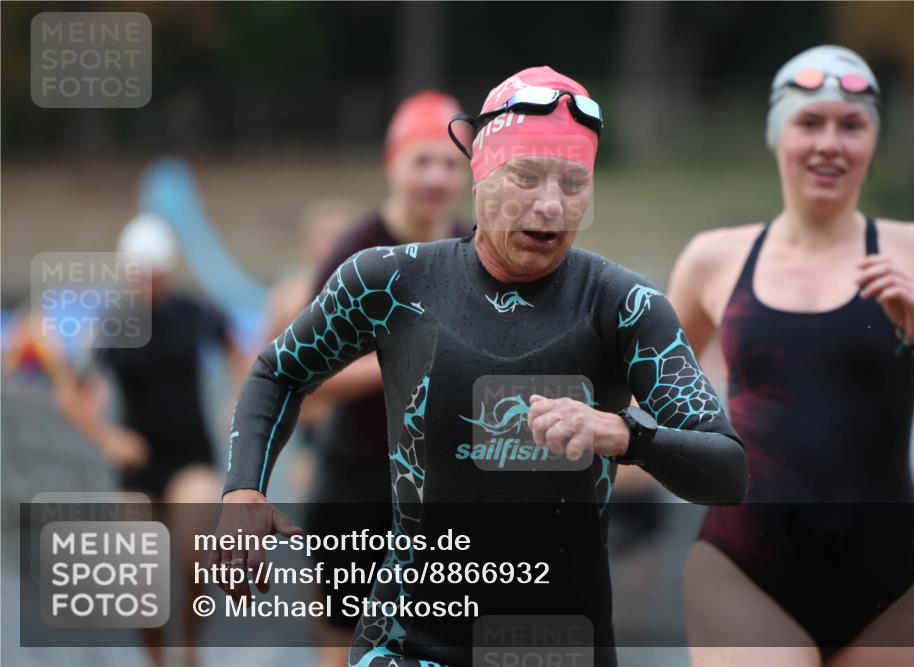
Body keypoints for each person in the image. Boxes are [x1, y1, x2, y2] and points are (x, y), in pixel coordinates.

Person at [214, 66, 748, 667]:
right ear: (481, 173)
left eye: (575, 183)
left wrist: (623, 432)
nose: (550, 205)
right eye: (525, 176)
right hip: (409, 642)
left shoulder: (623, 305)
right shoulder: (392, 281)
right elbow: (277, 372)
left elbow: (727, 471)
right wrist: (243, 490)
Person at [671, 45, 914, 667]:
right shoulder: (713, 259)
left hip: (892, 582)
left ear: (873, 141)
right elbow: (633, 403)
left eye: (851, 125)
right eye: (809, 123)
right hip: (744, 566)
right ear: (777, 135)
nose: (830, 143)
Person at [301, 91, 471, 667]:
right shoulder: (356, 253)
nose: (436, 176)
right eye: (422, 159)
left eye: (451, 162)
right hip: (358, 484)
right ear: (392, 162)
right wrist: (397, 358)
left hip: (448, 489)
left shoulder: (479, 249)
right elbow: (305, 376)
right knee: (345, 645)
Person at [55, 213, 247, 667]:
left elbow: (243, 355)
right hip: (139, 462)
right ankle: (157, 658)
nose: (149, 286)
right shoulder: (112, 325)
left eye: (157, 276)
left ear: (169, 271)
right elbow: (70, 394)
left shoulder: (192, 313)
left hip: (190, 454)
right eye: (141, 278)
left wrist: (237, 405)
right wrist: (107, 436)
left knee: (194, 551)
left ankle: (191, 648)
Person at [261, 197, 357, 498]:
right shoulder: (289, 294)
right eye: (325, 237)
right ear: (309, 242)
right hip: (312, 426)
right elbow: (267, 356)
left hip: (358, 423)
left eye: (340, 237)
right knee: (316, 498)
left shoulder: (367, 289)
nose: (332, 245)